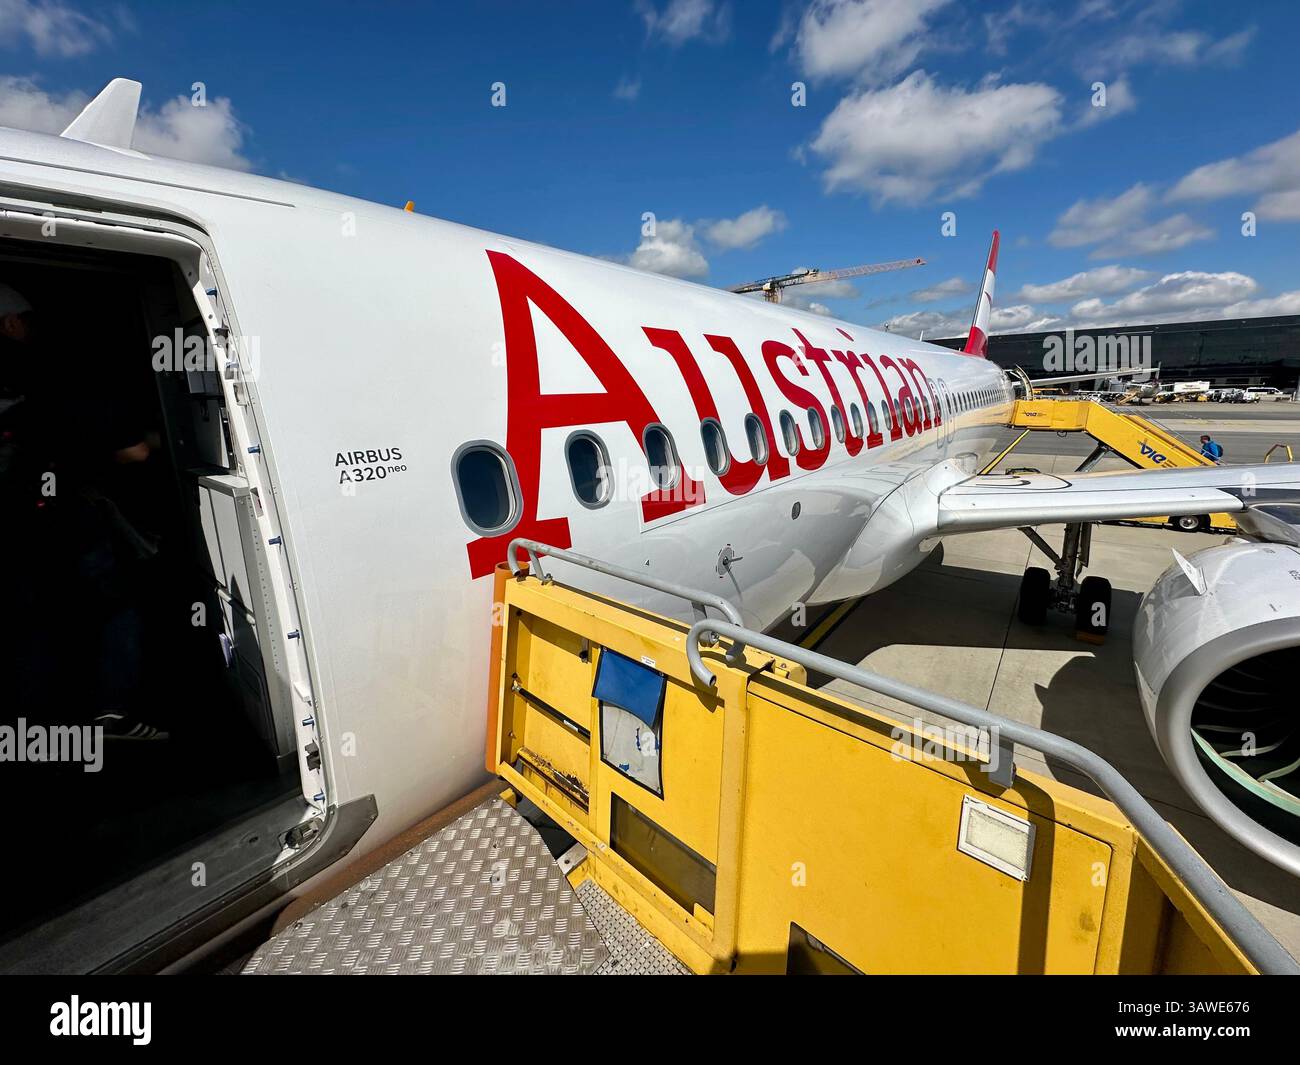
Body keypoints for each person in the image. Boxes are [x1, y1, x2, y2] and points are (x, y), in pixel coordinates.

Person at [0, 281, 166, 739]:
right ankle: (112, 714)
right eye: (27, 321)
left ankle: (31, 731)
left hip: (14, 520)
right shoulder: (48, 371)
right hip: (61, 515)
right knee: (117, 607)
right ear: (12, 322)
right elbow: (132, 452)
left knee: (28, 621)